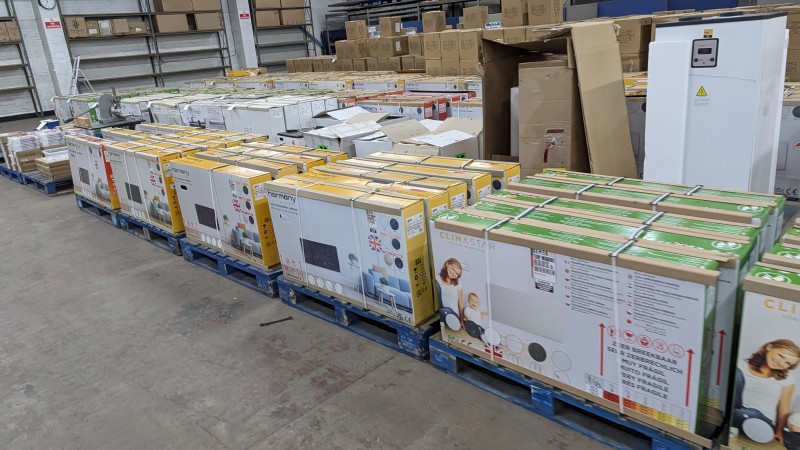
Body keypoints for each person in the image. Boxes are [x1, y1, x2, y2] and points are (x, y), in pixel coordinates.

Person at [734, 339, 800, 446]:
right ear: (769, 347)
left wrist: (779, 432)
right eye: (781, 356)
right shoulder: (740, 365)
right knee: (737, 373)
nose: (781, 363)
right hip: (737, 411)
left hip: (762, 421)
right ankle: (733, 414)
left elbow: (784, 408)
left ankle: (732, 415)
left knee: (753, 413)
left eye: (787, 363)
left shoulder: (787, 379)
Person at [437, 258, 464, 330]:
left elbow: (461, 304)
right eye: (453, 269)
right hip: (441, 313)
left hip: (453, 315)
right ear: (447, 264)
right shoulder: (437, 279)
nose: (454, 274)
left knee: (446, 310)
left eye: (457, 274)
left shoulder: (458, 284)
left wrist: (462, 321)